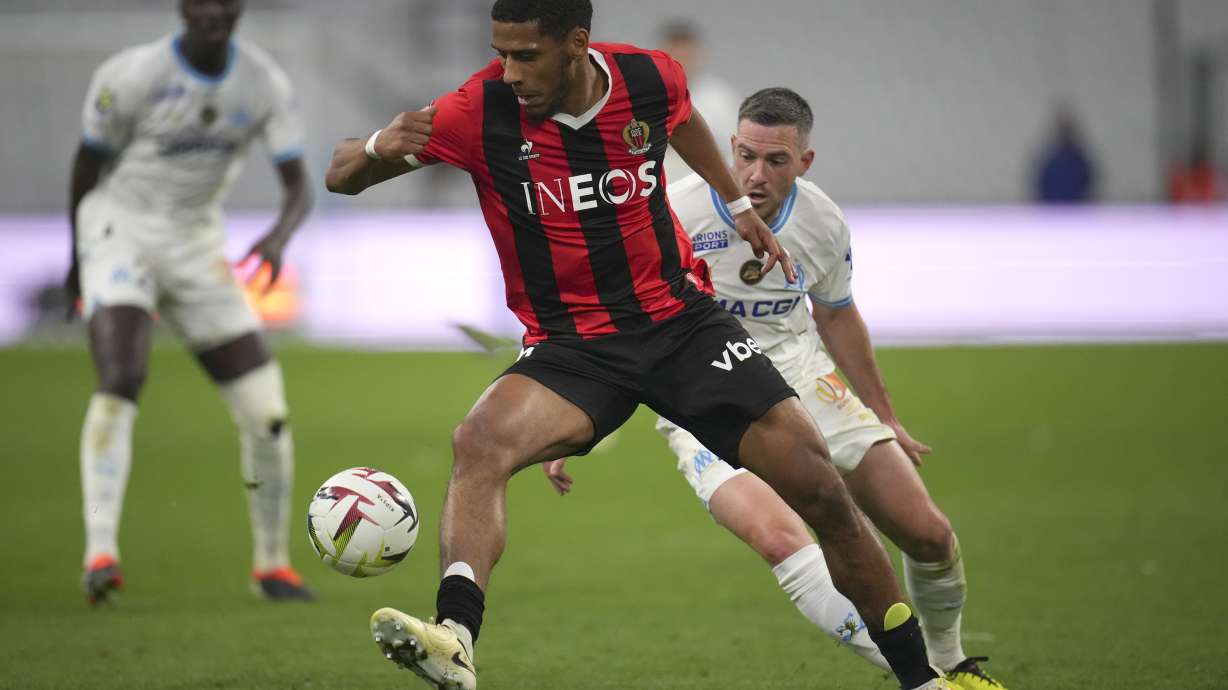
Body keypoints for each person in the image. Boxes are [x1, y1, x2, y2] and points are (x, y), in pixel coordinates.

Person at [325, 2, 949, 689]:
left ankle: (923, 679)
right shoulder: (479, 109)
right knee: (479, 441)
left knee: (823, 494)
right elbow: (341, 173)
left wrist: (736, 205)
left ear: (575, 45)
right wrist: (383, 143)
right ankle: (454, 637)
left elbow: (682, 119)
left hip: (682, 327)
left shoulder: (648, 80)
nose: (510, 71)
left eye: (525, 55)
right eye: (501, 52)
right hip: (574, 348)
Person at [545, 87, 1009, 690]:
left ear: (805, 162)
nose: (755, 175)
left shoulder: (821, 220)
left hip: (803, 376)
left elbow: (837, 314)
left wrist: (885, 413)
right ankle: (928, 680)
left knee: (928, 533)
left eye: (776, 161)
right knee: (778, 537)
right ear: (728, 148)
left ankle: (949, 659)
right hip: (703, 392)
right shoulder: (673, 213)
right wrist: (567, 419)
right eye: (744, 156)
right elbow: (614, 319)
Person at [69, 0, 313, 604]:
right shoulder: (132, 75)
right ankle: (100, 552)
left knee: (267, 413)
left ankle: (273, 566)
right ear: (183, 7)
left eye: (226, 2)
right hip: (120, 232)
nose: (215, 11)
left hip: (197, 245)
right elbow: (87, 165)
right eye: (203, 1)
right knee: (123, 376)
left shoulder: (261, 83)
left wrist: (278, 237)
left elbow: (298, 183)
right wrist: (78, 263)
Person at [658, 20, 741, 183]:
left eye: (686, 54)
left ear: (698, 55)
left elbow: (736, 151)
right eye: (675, 53)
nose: (681, 60)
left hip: (704, 189)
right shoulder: (643, 96)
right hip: (657, 192)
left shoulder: (720, 99)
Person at [1034, 109, 1096, 203]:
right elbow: (1041, 186)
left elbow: (1088, 185)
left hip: (1077, 211)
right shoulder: (1049, 160)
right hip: (1052, 210)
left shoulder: (1080, 161)